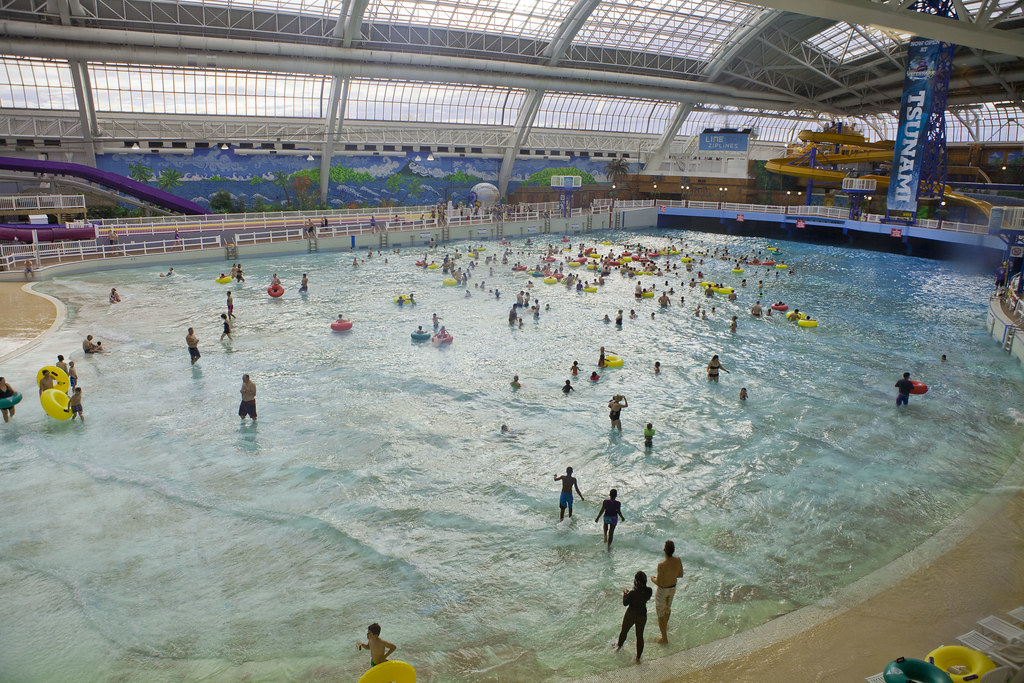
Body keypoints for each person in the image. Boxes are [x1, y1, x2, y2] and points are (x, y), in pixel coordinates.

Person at [651, 540, 684, 644]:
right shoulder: (678, 560)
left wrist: (652, 579)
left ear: (664, 550)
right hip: (672, 588)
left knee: (660, 614)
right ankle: (665, 626)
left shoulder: (661, 565)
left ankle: (664, 638)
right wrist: (671, 575)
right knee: (667, 609)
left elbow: (659, 582)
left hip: (662, 591)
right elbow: (680, 574)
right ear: (673, 550)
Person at [616, 571, 652, 661]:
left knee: (624, 631)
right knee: (639, 636)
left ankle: (618, 647)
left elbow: (625, 603)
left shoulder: (632, 593)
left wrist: (625, 594)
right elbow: (642, 596)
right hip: (642, 615)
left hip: (631, 614)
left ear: (635, 581)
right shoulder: (649, 591)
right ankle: (638, 658)